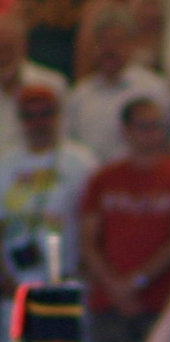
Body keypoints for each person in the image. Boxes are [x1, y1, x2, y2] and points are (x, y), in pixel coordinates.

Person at [78, 95, 170, 342]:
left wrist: (138, 281)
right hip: (107, 301)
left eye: (157, 126)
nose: (151, 133)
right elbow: (88, 240)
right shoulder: (104, 178)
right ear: (125, 131)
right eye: (143, 126)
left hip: (161, 300)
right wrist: (115, 285)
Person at [0, 83, 96, 299]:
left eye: (45, 114)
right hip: (15, 284)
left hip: (67, 279)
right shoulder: (5, 163)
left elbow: (95, 222)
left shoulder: (81, 162)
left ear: (58, 116)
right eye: (29, 116)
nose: (38, 123)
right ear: (20, 120)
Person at [64, 4, 170, 166]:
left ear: (131, 44)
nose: (110, 49)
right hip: (93, 183)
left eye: (117, 41)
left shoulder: (153, 89)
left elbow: (168, 143)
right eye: (103, 42)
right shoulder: (79, 96)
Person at [0, 12, 68, 161]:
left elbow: (64, 138)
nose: (3, 56)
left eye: (9, 48)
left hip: (42, 175)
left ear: (23, 45)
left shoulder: (52, 84)